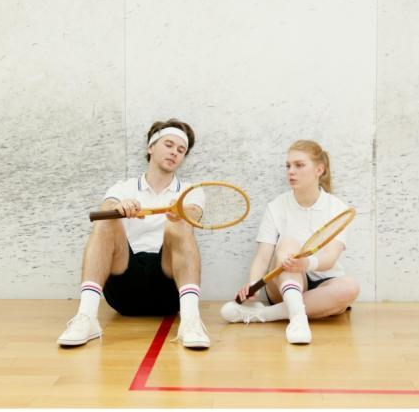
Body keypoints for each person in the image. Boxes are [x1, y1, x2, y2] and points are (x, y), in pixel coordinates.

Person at [57, 118, 210, 349]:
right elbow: (107, 206)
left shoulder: (190, 192)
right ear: (151, 147)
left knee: (178, 224)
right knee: (108, 219)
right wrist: (119, 209)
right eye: (168, 145)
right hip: (124, 290)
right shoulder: (123, 187)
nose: (174, 153)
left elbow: (194, 213)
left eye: (181, 150)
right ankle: (86, 318)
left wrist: (179, 212)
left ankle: (191, 321)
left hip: (168, 290)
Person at [220, 139, 360, 344]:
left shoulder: (337, 208)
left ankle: (261, 315)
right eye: (288, 166)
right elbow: (262, 257)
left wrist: (307, 263)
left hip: (324, 283)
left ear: (319, 170)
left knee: (351, 287)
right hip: (283, 282)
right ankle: (297, 319)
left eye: (299, 165)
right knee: (287, 243)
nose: (291, 171)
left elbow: (330, 258)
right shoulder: (276, 206)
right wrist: (253, 286)